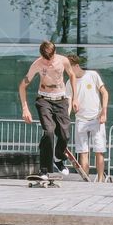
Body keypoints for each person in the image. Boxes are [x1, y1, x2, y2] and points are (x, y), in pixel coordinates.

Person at [18, 41, 77, 176]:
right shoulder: (37, 64)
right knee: (49, 132)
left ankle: (58, 157)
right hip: (44, 100)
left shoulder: (63, 61)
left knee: (65, 134)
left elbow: (72, 75)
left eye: (50, 59)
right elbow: (22, 86)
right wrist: (25, 109)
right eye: (45, 60)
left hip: (61, 100)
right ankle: (44, 169)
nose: (48, 63)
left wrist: (75, 98)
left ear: (55, 53)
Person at [67, 54, 108, 182]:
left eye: (70, 68)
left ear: (77, 66)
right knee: (83, 153)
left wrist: (104, 112)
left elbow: (104, 92)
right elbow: (68, 102)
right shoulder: (69, 82)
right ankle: (86, 182)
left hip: (96, 118)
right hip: (81, 120)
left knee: (99, 151)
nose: (68, 71)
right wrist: (66, 119)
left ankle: (100, 180)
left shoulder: (92, 75)